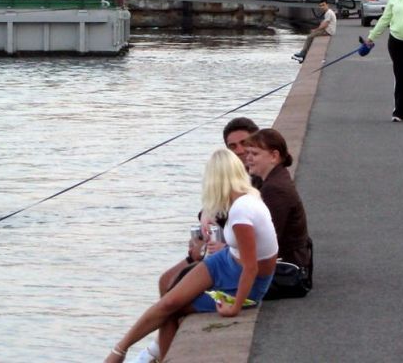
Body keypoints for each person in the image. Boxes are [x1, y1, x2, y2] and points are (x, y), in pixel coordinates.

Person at [105, 149, 278, 363]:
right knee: (169, 297)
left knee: (171, 310)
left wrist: (235, 307)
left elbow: (251, 267)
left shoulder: (242, 212)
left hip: (245, 280)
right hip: (227, 260)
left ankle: (124, 355)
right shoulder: (246, 198)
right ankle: (119, 351)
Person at [132, 117, 259, 363]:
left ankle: (156, 351)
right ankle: (161, 349)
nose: (240, 151)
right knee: (166, 281)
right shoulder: (235, 178)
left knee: (174, 293)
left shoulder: (256, 182)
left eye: (245, 144)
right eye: (233, 147)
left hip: (236, 261)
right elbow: (217, 205)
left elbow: (257, 238)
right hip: (221, 254)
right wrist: (206, 215)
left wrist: (227, 247)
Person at [245, 128, 312, 298]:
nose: (248, 159)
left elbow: (267, 238)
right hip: (291, 263)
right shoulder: (275, 179)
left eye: (254, 154)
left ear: (274, 156)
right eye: (248, 153)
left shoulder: (274, 189)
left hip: (287, 272)